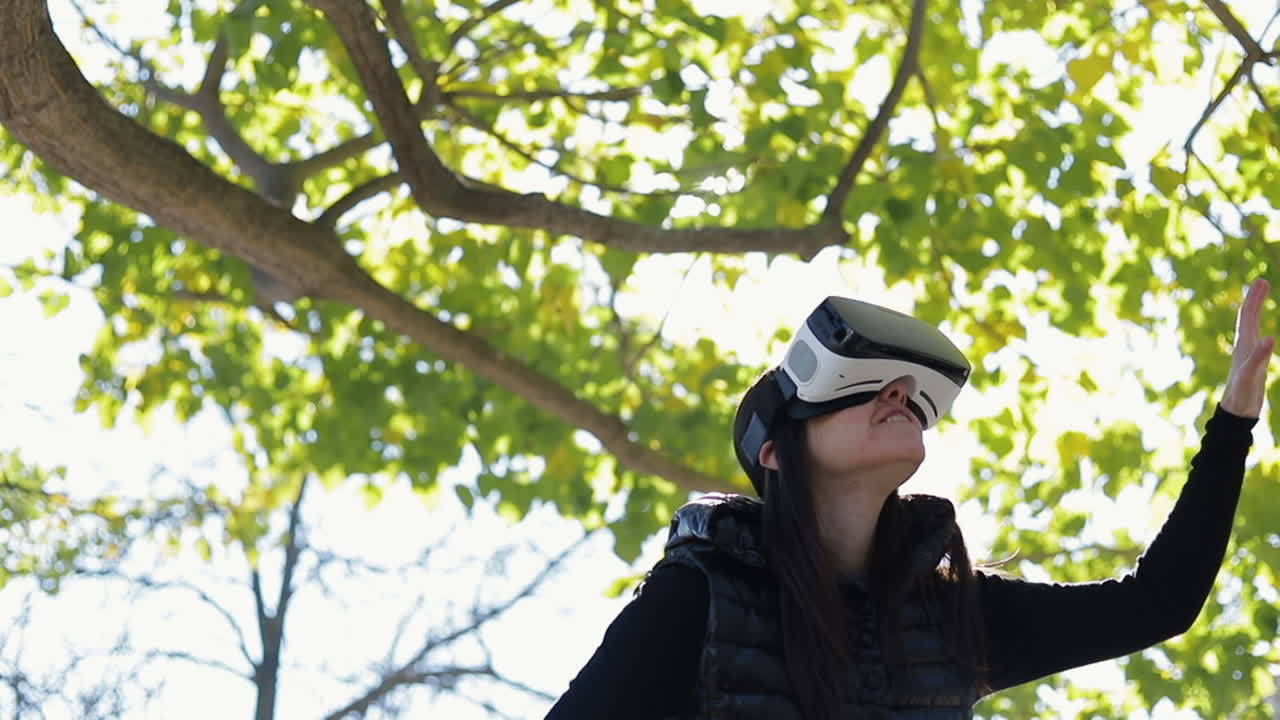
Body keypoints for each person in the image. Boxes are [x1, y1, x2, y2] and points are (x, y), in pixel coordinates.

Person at [546, 279, 1273, 720]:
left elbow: (1159, 604)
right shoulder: (700, 595)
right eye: (866, 387)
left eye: (906, 392)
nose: (898, 397)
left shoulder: (951, 614)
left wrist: (1233, 422)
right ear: (775, 452)